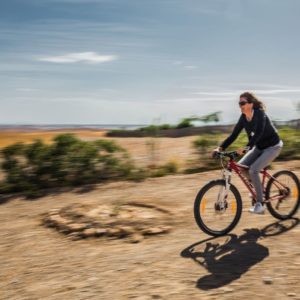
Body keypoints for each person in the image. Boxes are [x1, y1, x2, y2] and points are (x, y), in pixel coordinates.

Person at [212, 92, 283, 214]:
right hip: (259, 148)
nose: (240, 106)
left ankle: (260, 205)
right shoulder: (243, 117)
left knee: (253, 170)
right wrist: (220, 148)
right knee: (242, 168)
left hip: (273, 146)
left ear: (251, 104)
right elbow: (233, 135)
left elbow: (259, 133)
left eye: (242, 103)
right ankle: (259, 189)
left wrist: (246, 148)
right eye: (239, 103)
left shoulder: (260, 114)